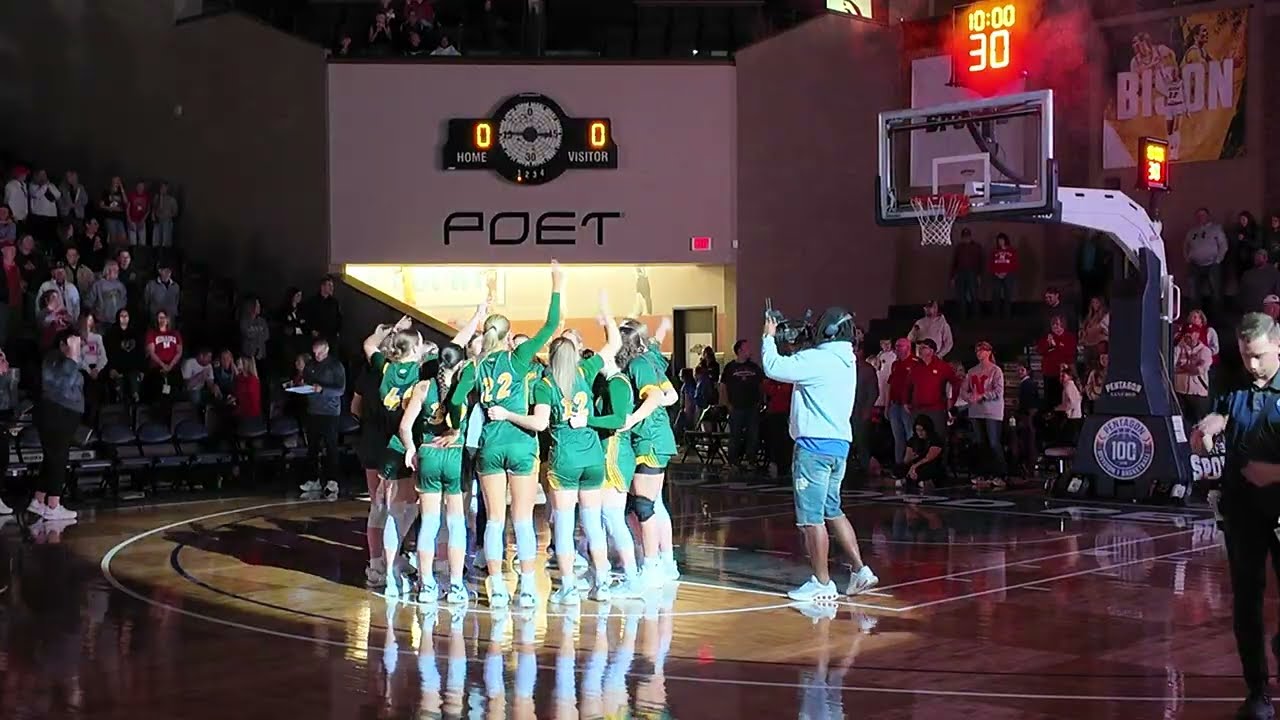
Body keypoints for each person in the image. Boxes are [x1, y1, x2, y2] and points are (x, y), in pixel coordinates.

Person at [1191, 313, 1280, 719]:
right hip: (1243, 510)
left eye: (1259, 355)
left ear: (1278, 346)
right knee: (1246, 600)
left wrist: (1273, 473)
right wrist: (1205, 432)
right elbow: (1216, 421)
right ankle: (1257, 690)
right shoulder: (1233, 385)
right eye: (1246, 356)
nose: (1253, 364)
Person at [762, 306, 878, 601]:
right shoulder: (846, 360)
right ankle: (860, 569)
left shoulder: (817, 359)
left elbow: (773, 367)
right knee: (833, 510)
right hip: (839, 444)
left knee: (811, 518)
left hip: (813, 447)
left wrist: (768, 336)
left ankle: (822, 583)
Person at [474, 261, 563, 608]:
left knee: (495, 520)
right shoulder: (520, 357)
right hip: (521, 442)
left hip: (490, 443)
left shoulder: (477, 364)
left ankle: (496, 586)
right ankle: (526, 587)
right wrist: (556, 284)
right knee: (523, 520)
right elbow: (551, 325)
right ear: (509, 336)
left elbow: (458, 402)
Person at [532, 291, 619, 604]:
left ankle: (568, 587)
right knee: (593, 523)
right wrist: (606, 314)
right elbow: (614, 344)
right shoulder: (585, 371)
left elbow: (540, 423)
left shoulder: (545, 385)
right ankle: (602, 582)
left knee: (565, 524)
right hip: (592, 457)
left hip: (564, 460)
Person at [399, 344, 472, 606]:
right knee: (456, 524)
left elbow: (404, 426)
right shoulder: (464, 386)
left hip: (428, 453)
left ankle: (427, 585)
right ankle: (456, 585)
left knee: (429, 523)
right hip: (454, 454)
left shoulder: (422, 387)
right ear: (460, 364)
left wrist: (410, 449)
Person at [616, 316, 680, 588]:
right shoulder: (648, 361)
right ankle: (665, 562)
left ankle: (652, 565)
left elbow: (656, 397)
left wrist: (633, 418)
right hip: (651, 437)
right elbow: (671, 395)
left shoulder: (639, 364)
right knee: (649, 504)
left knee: (643, 506)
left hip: (649, 440)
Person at [587, 317, 643, 597]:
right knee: (603, 517)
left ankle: (632, 577)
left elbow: (619, 419)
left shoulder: (618, 383)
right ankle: (607, 573)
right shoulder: (605, 383)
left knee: (612, 517)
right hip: (608, 450)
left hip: (615, 453)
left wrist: (586, 421)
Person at [29, 329, 83, 521]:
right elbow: (64, 384)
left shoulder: (67, 361)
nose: (77, 348)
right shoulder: (53, 359)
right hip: (56, 412)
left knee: (52, 457)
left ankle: (39, 500)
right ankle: (54, 504)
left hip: (65, 413)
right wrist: (72, 356)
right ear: (62, 344)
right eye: (73, 343)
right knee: (58, 457)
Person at [297, 337, 346, 498]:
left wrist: (323, 389)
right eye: (315, 353)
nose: (317, 356)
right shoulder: (310, 365)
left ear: (326, 350)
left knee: (331, 447)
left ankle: (333, 480)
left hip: (330, 412)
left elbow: (340, 390)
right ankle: (313, 479)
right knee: (312, 448)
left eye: (320, 353)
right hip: (313, 410)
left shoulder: (335, 366)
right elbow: (306, 382)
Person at [963, 341, 1007, 489]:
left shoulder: (996, 370)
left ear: (988, 352)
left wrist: (982, 396)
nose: (979, 353)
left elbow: (998, 391)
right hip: (976, 411)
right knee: (980, 443)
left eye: (981, 350)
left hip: (992, 412)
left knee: (993, 443)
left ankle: (1000, 474)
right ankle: (983, 473)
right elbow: (964, 390)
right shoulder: (972, 371)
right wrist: (969, 397)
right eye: (977, 351)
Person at [720, 339, 764, 468]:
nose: (750, 350)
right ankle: (733, 461)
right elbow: (723, 386)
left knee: (753, 435)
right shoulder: (730, 367)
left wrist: (760, 401)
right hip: (736, 407)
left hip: (752, 406)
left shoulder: (754, 367)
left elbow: (761, 384)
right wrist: (727, 403)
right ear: (739, 351)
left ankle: (751, 460)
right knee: (735, 435)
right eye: (747, 348)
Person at [897, 414, 946, 491]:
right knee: (899, 468)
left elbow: (928, 458)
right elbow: (906, 460)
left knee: (924, 470)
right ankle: (915, 481)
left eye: (922, 430)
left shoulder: (935, 440)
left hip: (929, 464)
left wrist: (914, 467)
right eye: (917, 430)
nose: (919, 433)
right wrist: (910, 459)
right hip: (914, 464)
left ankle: (912, 481)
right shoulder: (913, 440)